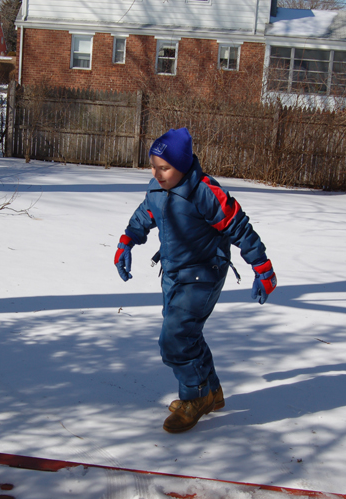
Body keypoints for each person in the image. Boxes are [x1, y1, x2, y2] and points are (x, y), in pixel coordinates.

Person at [113, 127, 277, 433]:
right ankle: (211, 392)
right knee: (186, 335)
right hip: (173, 273)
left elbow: (239, 228)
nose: (157, 173)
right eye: (154, 166)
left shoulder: (205, 193)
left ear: (183, 166)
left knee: (174, 339)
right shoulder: (157, 190)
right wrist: (127, 242)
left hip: (204, 274)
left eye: (164, 167)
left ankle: (195, 396)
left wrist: (262, 267)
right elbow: (143, 215)